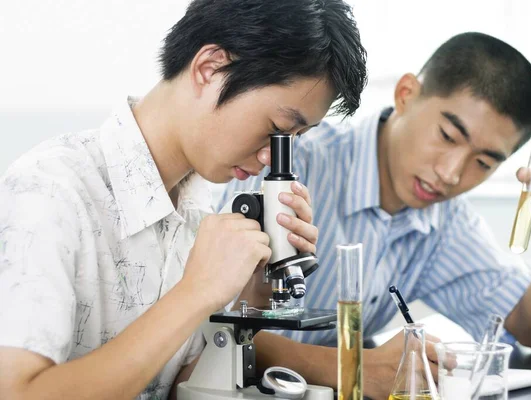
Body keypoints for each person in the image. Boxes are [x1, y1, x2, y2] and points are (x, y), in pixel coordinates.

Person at [0, 1, 367, 399]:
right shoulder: (49, 190)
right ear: (210, 68)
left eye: (296, 139)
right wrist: (196, 290)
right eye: (277, 130)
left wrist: (251, 300)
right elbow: (18, 392)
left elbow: (173, 386)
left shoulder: (197, 211)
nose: (270, 158)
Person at [220, 32, 531, 400]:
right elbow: (209, 327)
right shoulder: (287, 161)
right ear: (406, 95)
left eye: (483, 162)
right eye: (448, 136)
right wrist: (354, 368)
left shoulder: (445, 221)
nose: (451, 173)